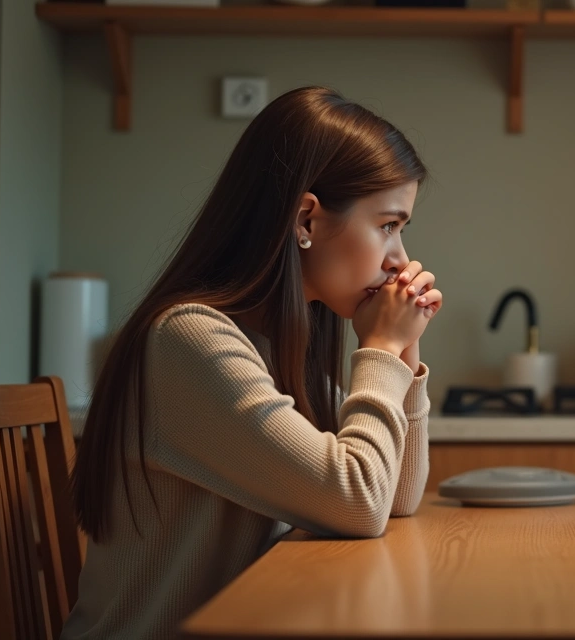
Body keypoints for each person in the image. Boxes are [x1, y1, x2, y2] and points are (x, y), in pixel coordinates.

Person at [63, 87, 440, 639]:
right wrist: (381, 348)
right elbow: (359, 501)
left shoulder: (276, 342)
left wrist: (404, 350)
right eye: (388, 225)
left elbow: (395, 497)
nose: (400, 259)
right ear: (306, 220)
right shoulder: (188, 339)